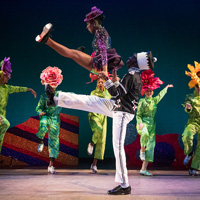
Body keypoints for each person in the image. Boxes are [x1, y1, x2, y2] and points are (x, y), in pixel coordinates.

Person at [45, 51, 157, 195]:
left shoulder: (133, 76)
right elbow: (121, 93)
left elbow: (116, 94)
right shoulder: (132, 75)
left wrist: (107, 80)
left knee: (117, 147)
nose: (130, 57)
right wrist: (114, 81)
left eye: (134, 57)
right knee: (91, 101)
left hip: (123, 113)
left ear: (137, 61)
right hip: (118, 107)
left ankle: (125, 185)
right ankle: (54, 100)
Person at [35, 6, 123, 73]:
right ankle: (46, 40)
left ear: (95, 22)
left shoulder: (101, 33)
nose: (87, 27)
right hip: (97, 63)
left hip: (98, 65)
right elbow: (104, 52)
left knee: (73, 53)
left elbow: (104, 52)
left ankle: (46, 40)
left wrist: (104, 71)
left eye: (88, 24)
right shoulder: (100, 32)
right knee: (74, 53)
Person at [136, 69, 173, 176]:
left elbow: (160, 95)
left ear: (152, 91)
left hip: (152, 124)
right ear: (144, 91)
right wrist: (140, 122)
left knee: (151, 146)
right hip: (143, 123)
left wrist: (166, 88)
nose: (149, 92)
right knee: (145, 134)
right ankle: (142, 151)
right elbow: (138, 115)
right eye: (147, 91)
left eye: (150, 91)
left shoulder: (154, 100)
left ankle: (143, 169)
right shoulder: (142, 102)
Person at [0, 57, 36, 153]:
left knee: (0, 138)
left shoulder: (7, 88)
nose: (8, 78)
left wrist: (29, 89)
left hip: (2, 115)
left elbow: (17, 88)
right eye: (7, 76)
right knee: (6, 123)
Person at [36, 66, 63, 174]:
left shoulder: (60, 95)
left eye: (53, 86)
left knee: (54, 140)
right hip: (46, 116)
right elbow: (38, 107)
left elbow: (70, 98)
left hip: (55, 118)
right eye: (50, 86)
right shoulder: (43, 97)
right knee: (42, 125)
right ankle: (41, 140)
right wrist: (40, 112)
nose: (52, 88)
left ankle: (51, 165)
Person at [87, 75, 111, 173]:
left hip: (103, 116)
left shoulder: (108, 93)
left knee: (101, 140)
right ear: (96, 83)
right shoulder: (93, 93)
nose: (100, 84)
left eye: (102, 82)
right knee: (98, 129)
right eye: (99, 82)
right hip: (94, 114)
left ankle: (94, 164)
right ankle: (91, 144)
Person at [182, 61, 200, 176]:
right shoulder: (191, 97)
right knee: (187, 135)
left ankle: (194, 167)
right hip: (194, 122)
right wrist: (188, 108)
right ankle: (189, 153)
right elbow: (187, 109)